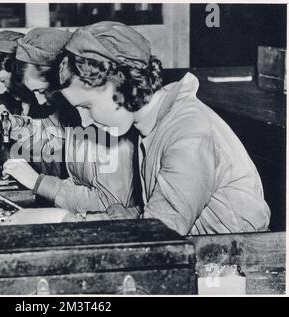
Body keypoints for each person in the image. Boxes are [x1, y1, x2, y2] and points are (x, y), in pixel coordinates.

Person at [58, 21, 270, 234]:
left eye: (86, 106)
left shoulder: (187, 133)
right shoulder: (154, 123)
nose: (84, 122)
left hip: (239, 258)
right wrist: (132, 214)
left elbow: (160, 236)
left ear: (121, 84)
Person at [0, 27, 137, 216]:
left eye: (42, 91)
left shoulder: (105, 121)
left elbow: (111, 203)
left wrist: (39, 182)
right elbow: (52, 145)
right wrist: (15, 126)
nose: (40, 101)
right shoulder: (73, 115)